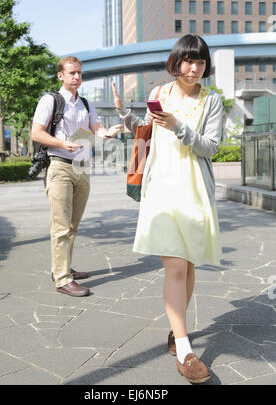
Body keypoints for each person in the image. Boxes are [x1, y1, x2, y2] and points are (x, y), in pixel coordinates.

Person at [112, 34, 223, 384]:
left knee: (187, 265)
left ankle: (177, 334)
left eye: (201, 62)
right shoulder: (159, 95)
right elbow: (145, 131)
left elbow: (211, 147)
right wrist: (124, 115)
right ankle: (187, 351)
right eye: (189, 61)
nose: (195, 68)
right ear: (176, 62)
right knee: (175, 265)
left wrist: (179, 127)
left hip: (193, 190)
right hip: (161, 189)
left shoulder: (212, 102)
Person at [31, 56, 122, 297]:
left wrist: (107, 133)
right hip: (59, 165)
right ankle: (62, 279)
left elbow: (96, 128)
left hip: (82, 167)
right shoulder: (50, 100)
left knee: (72, 224)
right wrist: (62, 143)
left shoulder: (85, 103)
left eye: (80, 73)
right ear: (60, 75)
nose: (77, 77)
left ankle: (63, 268)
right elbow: (36, 133)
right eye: (72, 73)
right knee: (60, 226)